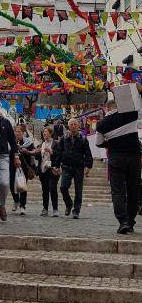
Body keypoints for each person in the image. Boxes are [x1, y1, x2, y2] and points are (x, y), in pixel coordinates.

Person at [96, 94, 141, 234]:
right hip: (134, 158)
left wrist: (111, 143)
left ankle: (123, 221)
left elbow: (98, 143)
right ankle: (131, 221)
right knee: (133, 190)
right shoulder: (131, 114)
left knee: (118, 191)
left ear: (106, 108)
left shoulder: (102, 123)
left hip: (116, 158)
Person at [52, 118, 93, 219]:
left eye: (75, 124)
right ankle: (69, 204)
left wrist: (88, 166)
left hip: (79, 167)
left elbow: (88, 154)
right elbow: (59, 152)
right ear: (68, 126)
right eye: (71, 125)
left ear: (78, 126)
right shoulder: (64, 138)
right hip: (66, 166)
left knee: (78, 190)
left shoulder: (83, 139)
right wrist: (56, 165)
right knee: (63, 187)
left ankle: (76, 210)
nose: (73, 126)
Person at [10, 124, 34, 215]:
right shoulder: (11, 142)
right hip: (12, 166)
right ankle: (16, 201)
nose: (17, 133)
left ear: (23, 133)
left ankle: (23, 206)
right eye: (16, 131)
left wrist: (26, 151)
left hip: (24, 167)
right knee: (12, 185)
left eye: (19, 131)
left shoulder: (28, 142)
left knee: (23, 186)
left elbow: (32, 153)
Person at [35, 125, 60, 217]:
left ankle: (55, 209)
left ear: (50, 133)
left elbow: (59, 154)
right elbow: (38, 157)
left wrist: (51, 151)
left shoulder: (56, 143)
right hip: (43, 170)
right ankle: (45, 208)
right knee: (44, 190)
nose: (44, 134)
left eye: (46, 132)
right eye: (43, 132)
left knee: (52, 188)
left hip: (53, 169)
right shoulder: (41, 144)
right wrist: (37, 152)